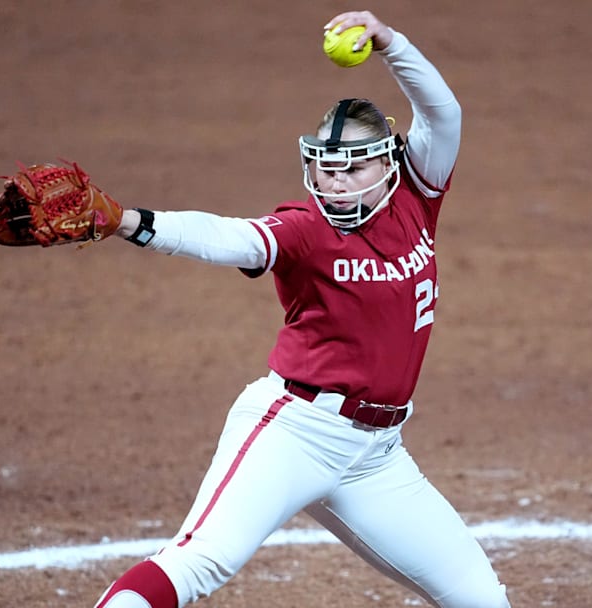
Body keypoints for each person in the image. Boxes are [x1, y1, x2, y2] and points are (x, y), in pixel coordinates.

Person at [93, 10, 511, 608]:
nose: (336, 183)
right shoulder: (304, 228)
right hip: (297, 432)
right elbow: (230, 237)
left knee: (481, 601)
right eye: (326, 168)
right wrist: (132, 223)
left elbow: (444, 114)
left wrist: (390, 42)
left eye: (354, 168)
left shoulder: (418, 197)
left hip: (378, 456)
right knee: (202, 560)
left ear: (391, 163)